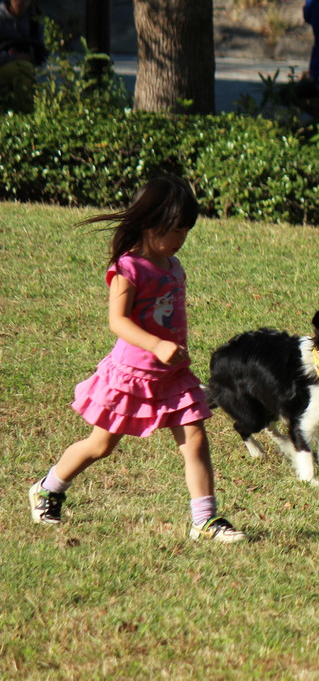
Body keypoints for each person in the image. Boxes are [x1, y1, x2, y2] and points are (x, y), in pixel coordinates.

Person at [27, 175, 246, 543]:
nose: (181, 240)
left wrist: (173, 350)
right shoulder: (128, 268)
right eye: (176, 231)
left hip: (173, 375)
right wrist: (157, 345)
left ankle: (205, 520)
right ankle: (48, 488)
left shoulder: (174, 266)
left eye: (186, 232)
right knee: (101, 445)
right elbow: (118, 321)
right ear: (149, 223)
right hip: (131, 375)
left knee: (195, 439)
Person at [0, 0, 47, 113]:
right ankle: (27, 114)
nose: (20, 0)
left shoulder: (34, 20)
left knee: (25, 74)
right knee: (23, 69)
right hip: (6, 65)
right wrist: (14, 57)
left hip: (27, 69)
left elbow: (43, 52)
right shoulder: (1, 19)